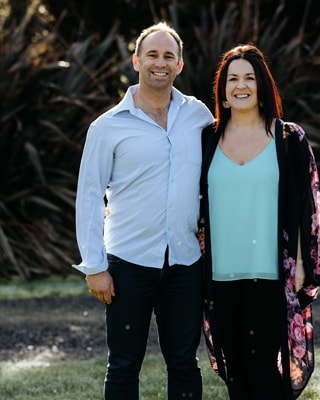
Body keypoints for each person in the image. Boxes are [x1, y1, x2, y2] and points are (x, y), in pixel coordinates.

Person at [72, 22, 214, 400]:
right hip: (127, 263)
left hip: (185, 262)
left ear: (180, 65)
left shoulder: (199, 116)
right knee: (123, 364)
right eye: (152, 54)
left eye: (169, 56)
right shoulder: (106, 128)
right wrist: (95, 266)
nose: (160, 63)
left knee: (185, 362)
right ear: (136, 60)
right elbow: (88, 196)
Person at [198, 44, 320, 399]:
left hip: (270, 273)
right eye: (233, 79)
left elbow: (307, 204)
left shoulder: (288, 139)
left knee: (265, 373)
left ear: (262, 87)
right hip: (220, 273)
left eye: (249, 78)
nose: (241, 86)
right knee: (236, 374)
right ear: (223, 91)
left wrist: (303, 262)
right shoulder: (207, 138)